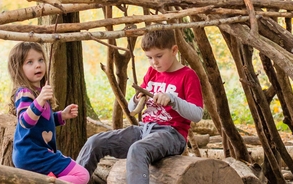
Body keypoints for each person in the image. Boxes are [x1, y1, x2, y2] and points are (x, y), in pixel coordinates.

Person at [76, 28, 204, 184]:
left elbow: (197, 114)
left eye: (159, 56)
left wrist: (173, 100)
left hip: (172, 134)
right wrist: (137, 99)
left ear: (174, 50)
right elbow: (131, 108)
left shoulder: (187, 76)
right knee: (95, 142)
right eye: (149, 57)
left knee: (138, 149)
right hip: (144, 130)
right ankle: (74, 180)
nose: (154, 62)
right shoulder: (152, 72)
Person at [7, 42, 89, 184]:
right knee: (81, 175)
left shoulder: (38, 92)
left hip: (38, 154)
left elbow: (42, 120)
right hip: (32, 155)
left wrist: (62, 115)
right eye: (30, 62)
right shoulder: (24, 92)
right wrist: (39, 100)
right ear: (18, 69)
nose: (37, 65)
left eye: (40, 60)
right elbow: (25, 122)